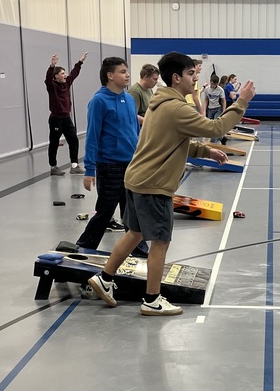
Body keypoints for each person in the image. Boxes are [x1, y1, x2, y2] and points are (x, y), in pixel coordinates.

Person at [87, 51, 256, 316]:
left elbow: (172, 140)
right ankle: (152, 299)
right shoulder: (176, 107)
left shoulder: (159, 101)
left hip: (136, 178)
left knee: (135, 232)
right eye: (190, 74)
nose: (194, 78)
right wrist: (242, 103)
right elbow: (216, 128)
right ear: (177, 78)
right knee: (161, 241)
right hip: (153, 184)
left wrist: (206, 152)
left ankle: (105, 278)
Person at [75, 57, 139, 251]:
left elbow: (134, 130)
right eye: (122, 71)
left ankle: (137, 249)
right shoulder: (99, 101)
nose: (127, 75)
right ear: (110, 76)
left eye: (127, 71)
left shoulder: (128, 98)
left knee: (132, 211)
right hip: (109, 166)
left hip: (131, 164)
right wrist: (89, 170)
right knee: (105, 211)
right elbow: (92, 136)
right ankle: (84, 247)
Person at [45, 53, 87, 175]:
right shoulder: (52, 86)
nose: (65, 75)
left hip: (66, 118)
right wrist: (52, 66)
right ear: (56, 76)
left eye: (64, 73)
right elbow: (48, 78)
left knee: (73, 139)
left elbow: (74, 73)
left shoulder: (66, 83)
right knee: (54, 142)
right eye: (62, 73)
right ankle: (53, 167)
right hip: (56, 119)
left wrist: (80, 62)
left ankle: (74, 165)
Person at [202, 74, 227, 143]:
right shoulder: (207, 89)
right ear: (210, 82)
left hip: (217, 109)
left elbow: (223, 101)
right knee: (210, 125)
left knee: (215, 124)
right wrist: (204, 110)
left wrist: (224, 110)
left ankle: (213, 142)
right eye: (212, 84)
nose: (213, 86)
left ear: (217, 83)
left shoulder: (220, 90)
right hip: (210, 109)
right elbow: (206, 99)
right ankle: (221, 138)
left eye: (214, 84)